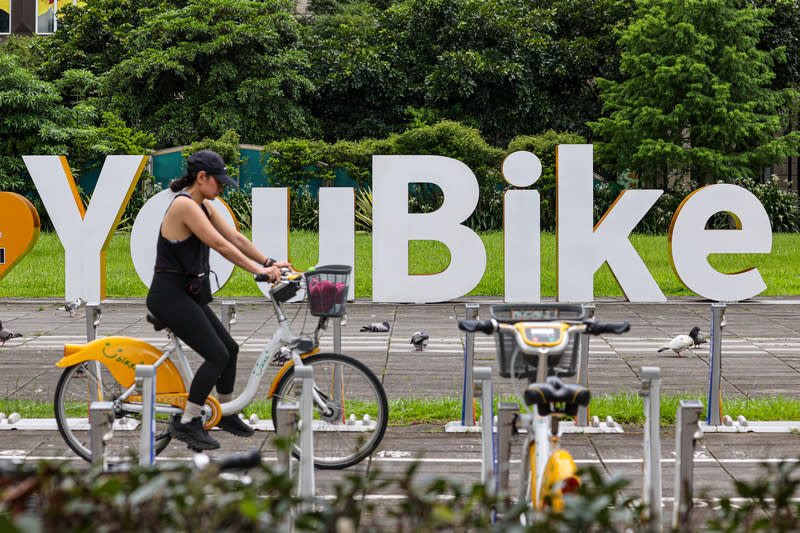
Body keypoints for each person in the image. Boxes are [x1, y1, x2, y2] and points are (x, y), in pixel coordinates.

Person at [147, 149, 289, 451]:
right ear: (202, 178)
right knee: (217, 355)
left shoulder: (204, 205)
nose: (223, 188)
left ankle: (225, 412)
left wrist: (269, 261)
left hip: (186, 294)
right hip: (168, 296)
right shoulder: (185, 206)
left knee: (230, 349)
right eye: (219, 182)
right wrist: (259, 271)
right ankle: (187, 421)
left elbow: (235, 238)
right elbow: (220, 245)